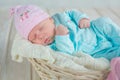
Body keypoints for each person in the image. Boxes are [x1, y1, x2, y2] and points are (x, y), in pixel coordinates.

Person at [11, 5, 120, 61]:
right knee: (111, 58)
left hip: (94, 31)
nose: (39, 36)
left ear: (50, 19)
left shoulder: (60, 16)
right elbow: (68, 53)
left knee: (103, 22)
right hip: (94, 52)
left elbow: (72, 13)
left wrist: (82, 19)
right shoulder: (51, 47)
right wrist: (61, 37)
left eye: (41, 28)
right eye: (33, 38)